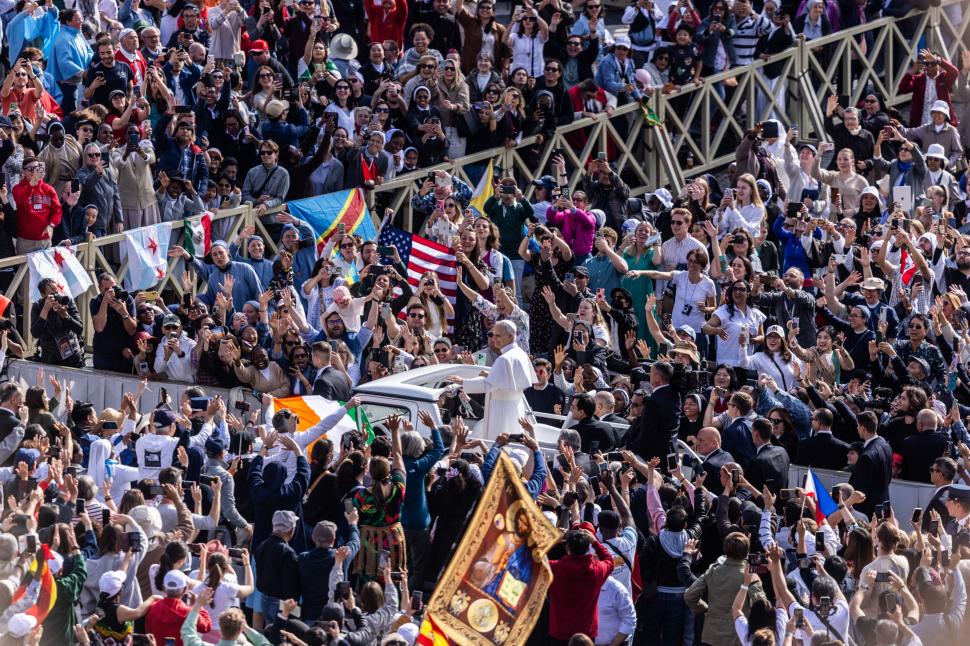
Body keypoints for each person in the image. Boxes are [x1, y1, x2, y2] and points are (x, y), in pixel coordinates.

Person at [445, 321, 536, 441]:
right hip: (515, 406)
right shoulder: (520, 353)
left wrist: (463, 382)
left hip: (501, 409)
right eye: (492, 335)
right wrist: (490, 375)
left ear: (510, 336)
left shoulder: (504, 359)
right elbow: (508, 379)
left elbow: (488, 385)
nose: (494, 339)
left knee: (498, 442)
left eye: (498, 335)